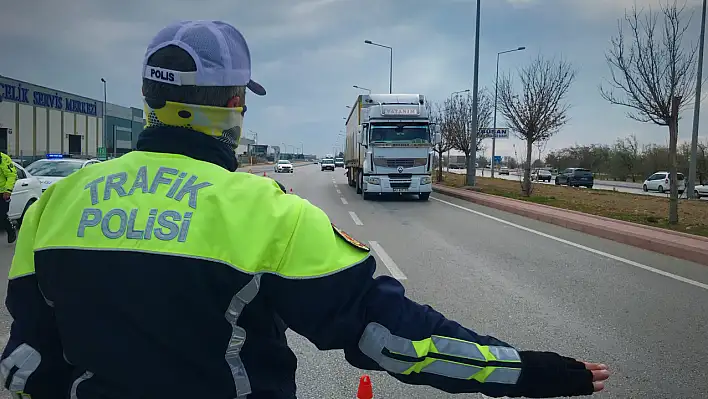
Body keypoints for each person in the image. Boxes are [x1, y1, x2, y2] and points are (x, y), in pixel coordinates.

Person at [0, 21, 609, 398]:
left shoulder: (54, 203)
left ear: (150, 100)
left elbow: (26, 363)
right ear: (233, 106)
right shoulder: (267, 213)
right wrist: (528, 372)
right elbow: (395, 342)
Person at [0, 151, 17, 244]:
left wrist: (8, 190)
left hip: (2, 192)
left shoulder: (3, 158)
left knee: (1, 215)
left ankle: (10, 229)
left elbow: (11, 175)